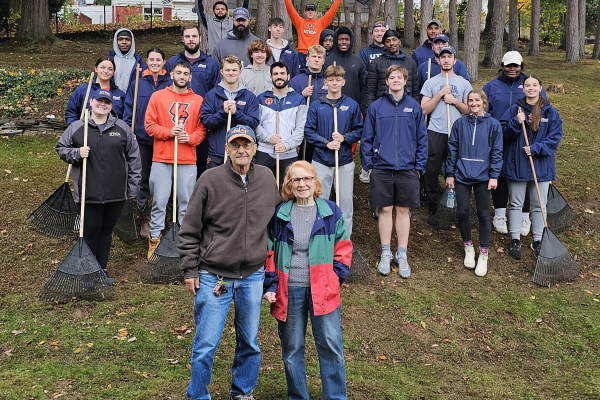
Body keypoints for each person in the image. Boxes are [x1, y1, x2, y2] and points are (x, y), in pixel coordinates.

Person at [178, 125, 281, 400]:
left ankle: (242, 392)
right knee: (206, 344)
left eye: (246, 145)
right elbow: (189, 228)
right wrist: (190, 268)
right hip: (215, 275)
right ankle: (197, 395)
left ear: (255, 149)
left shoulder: (267, 178)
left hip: (253, 275)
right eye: (235, 145)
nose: (241, 150)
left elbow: (279, 218)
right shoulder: (210, 180)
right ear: (226, 149)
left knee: (249, 342)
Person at [263, 160, 352, 400]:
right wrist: (270, 284)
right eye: (296, 180)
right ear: (289, 186)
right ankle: (298, 396)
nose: (302, 184)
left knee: (330, 347)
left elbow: (343, 249)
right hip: (288, 290)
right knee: (292, 349)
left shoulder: (331, 212)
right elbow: (269, 252)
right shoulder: (280, 215)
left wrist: (335, 278)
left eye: (306, 179)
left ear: (315, 182)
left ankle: (334, 396)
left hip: (323, 289)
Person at [56, 89, 141, 283]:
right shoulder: (78, 127)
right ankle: (88, 272)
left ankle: (101, 270)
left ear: (111, 106)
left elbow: (134, 159)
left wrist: (133, 187)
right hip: (88, 192)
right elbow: (61, 148)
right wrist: (77, 153)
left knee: (105, 231)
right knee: (90, 231)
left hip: (117, 193)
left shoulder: (121, 128)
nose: (102, 105)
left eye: (107, 102)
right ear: (91, 101)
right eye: (99, 101)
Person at [361, 65, 427, 279]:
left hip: (408, 168)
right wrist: (369, 166)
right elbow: (367, 138)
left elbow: (422, 139)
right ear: (387, 81)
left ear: (405, 81)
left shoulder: (414, 107)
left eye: (400, 77)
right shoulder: (376, 107)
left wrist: (419, 167)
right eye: (392, 77)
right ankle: (386, 252)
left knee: (403, 210)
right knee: (385, 210)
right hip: (381, 167)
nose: (396, 80)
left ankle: (402, 254)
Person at [144, 61, 206, 258]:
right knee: (160, 201)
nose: (182, 76)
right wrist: (169, 132)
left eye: (185, 73)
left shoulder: (198, 100)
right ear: (171, 74)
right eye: (178, 72)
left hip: (187, 159)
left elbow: (202, 128)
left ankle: (184, 244)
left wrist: (192, 138)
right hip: (162, 157)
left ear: (190, 77)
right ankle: (155, 241)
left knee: (186, 203)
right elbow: (149, 125)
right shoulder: (158, 96)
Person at [483, 51, 547, 236]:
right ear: (502, 65)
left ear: (521, 66)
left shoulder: (529, 84)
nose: (512, 69)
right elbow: (484, 109)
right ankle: (500, 213)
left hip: (525, 138)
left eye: (516, 65)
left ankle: (524, 216)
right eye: (508, 65)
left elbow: (545, 107)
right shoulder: (491, 86)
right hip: (500, 136)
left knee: (524, 174)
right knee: (499, 173)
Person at [499, 75, 563, 260]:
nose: (531, 88)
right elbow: (503, 134)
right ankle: (515, 238)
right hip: (516, 164)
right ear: (523, 89)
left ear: (540, 88)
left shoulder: (550, 112)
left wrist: (535, 149)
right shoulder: (514, 110)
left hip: (541, 166)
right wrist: (515, 123)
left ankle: (537, 240)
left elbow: (554, 138)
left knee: (538, 205)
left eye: (535, 85)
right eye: (528, 85)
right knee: (517, 203)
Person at [445, 89, 503, 277]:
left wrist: (494, 175)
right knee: (462, 211)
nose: (474, 103)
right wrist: (450, 173)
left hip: (484, 176)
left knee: (483, 214)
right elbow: (452, 149)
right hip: (461, 174)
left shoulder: (493, 125)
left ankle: (484, 253)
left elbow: (496, 152)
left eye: (477, 100)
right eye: (470, 100)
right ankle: (468, 246)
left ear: (484, 102)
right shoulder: (460, 123)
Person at [304, 65, 363, 235]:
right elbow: (309, 131)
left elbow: (359, 130)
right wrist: (326, 143)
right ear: (325, 82)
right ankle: (319, 238)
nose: (334, 83)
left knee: (345, 204)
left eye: (338, 80)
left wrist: (344, 138)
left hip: (344, 161)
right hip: (321, 160)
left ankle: (344, 240)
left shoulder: (351, 105)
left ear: (343, 82)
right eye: (331, 80)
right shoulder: (316, 105)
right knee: (318, 202)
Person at [123, 48, 172, 238]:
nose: (154, 62)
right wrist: (130, 133)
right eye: (151, 59)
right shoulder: (137, 83)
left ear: (163, 62)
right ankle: (144, 218)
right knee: (143, 177)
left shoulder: (170, 83)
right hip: (142, 139)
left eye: (158, 59)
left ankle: (164, 215)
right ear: (146, 61)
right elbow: (129, 110)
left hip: (164, 139)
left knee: (163, 178)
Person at [420, 46, 472, 217]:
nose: (446, 60)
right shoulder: (431, 82)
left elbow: (468, 110)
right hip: (435, 130)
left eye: (450, 56)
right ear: (438, 60)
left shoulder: (464, 83)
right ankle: (433, 202)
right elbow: (424, 110)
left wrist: (454, 101)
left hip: (457, 131)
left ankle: (456, 201)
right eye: (443, 57)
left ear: (455, 60)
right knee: (431, 168)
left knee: (457, 167)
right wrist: (440, 94)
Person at [165, 24, 221, 179]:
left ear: (200, 39)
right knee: (176, 160)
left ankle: (199, 197)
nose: (191, 40)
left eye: (194, 36)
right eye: (188, 36)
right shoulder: (172, 62)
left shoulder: (211, 64)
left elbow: (216, 92)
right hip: (176, 119)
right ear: (182, 39)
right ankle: (174, 199)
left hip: (200, 119)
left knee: (200, 161)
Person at [201, 56, 260, 168]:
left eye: (234, 70)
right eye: (227, 70)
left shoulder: (249, 97)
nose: (231, 73)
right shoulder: (212, 95)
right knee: (216, 185)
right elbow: (206, 122)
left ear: (240, 72)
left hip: (241, 153)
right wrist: (222, 112)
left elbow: (253, 123)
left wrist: (236, 113)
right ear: (221, 72)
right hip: (217, 152)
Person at [255, 61, 307, 188]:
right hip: (264, 152)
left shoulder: (299, 100)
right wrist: (268, 138)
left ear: (288, 76)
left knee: (288, 190)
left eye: (282, 73)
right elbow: (256, 124)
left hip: (288, 153)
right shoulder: (261, 98)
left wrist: (286, 145)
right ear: (271, 77)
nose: (279, 76)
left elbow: (300, 129)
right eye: (276, 74)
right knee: (263, 189)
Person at [289, 44, 328, 163]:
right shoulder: (296, 80)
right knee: (303, 159)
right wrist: (301, 95)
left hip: (323, 127)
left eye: (319, 57)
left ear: (323, 60)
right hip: (303, 127)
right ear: (307, 58)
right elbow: (288, 103)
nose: (316, 59)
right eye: (313, 56)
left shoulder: (328, 80)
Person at [364, 29, 419, 109]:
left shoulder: (410, 63)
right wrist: (369, 111)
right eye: (388, 41)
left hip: (406, 107)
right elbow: (370, 90)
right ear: (384, 44)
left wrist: (416, 109)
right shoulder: (377, 63)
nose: (392, 43)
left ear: (399, 41)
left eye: (394, 40)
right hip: (382, 108)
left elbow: (415, 90)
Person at [65, 56, 126, 125]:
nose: (106, 71)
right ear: (96, 69)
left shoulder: (120, 94)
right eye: (102, 67)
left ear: (113, 72)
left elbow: (125, 118)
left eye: (110, 69)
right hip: (86, 133)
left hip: (111, 134)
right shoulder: (83, 90)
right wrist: (77, 131)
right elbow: (71, 113)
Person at [284, 0, 342, 66]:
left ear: (315, 12)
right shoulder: (300, 23)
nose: (310, 12)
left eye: (312, 10)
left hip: (315, 55)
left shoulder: (320, 23)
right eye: (308, 10)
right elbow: (290, 9)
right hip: (302, 55)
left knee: (314, 75)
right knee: (301, 75)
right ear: (305, 12)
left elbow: (332, 12)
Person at [324, 27, 367, 115]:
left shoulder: (358, 62)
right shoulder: (326, 61)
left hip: (353, 108)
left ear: (351, 41)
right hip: (330, 108)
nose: (344, 42)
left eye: (347, 39)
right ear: (336, 41)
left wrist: (362, 109)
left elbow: (363, 87)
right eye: (341, 39)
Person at [109, 28, 145, 93]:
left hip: (132, 101)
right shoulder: (108, 61)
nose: (124, 42)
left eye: (127, 39)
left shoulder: (140, 64)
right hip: (112, 100)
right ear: (116, 41)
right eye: (120, 39)